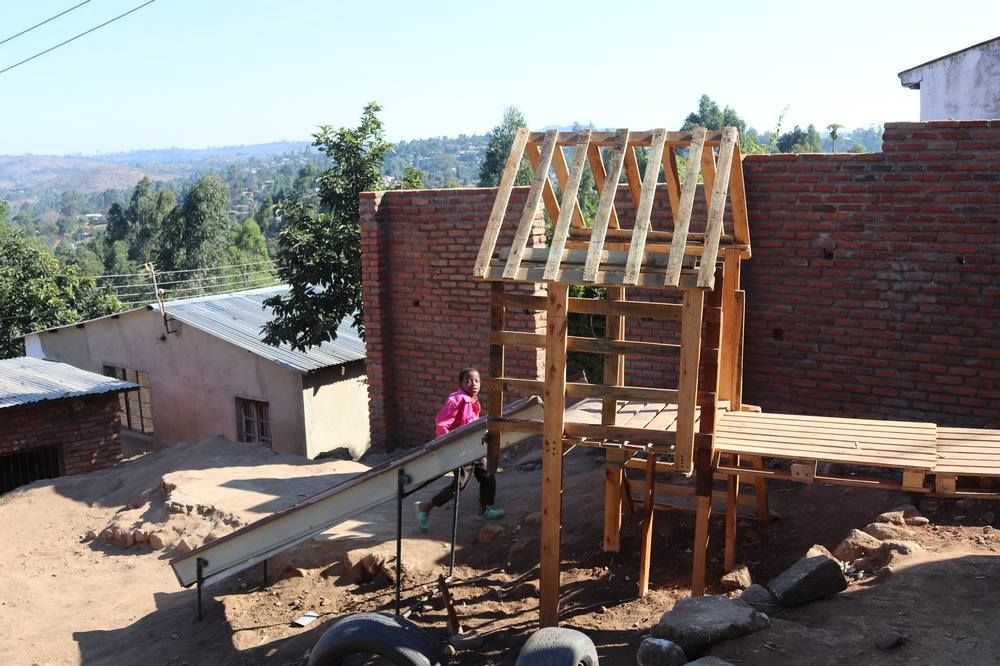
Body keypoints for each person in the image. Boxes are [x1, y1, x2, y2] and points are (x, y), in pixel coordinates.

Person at [415, 368, 505, 530]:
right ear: (461, 383)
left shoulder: (472, 399)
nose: (473, 384)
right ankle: (425, 507)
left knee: (487, 475)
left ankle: (484, 510)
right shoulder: (456, 400)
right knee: (459, 485)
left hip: (473, 447)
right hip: (461, 450)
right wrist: (450, 446)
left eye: (477, 381)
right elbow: (441, 424)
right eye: (468, 381)